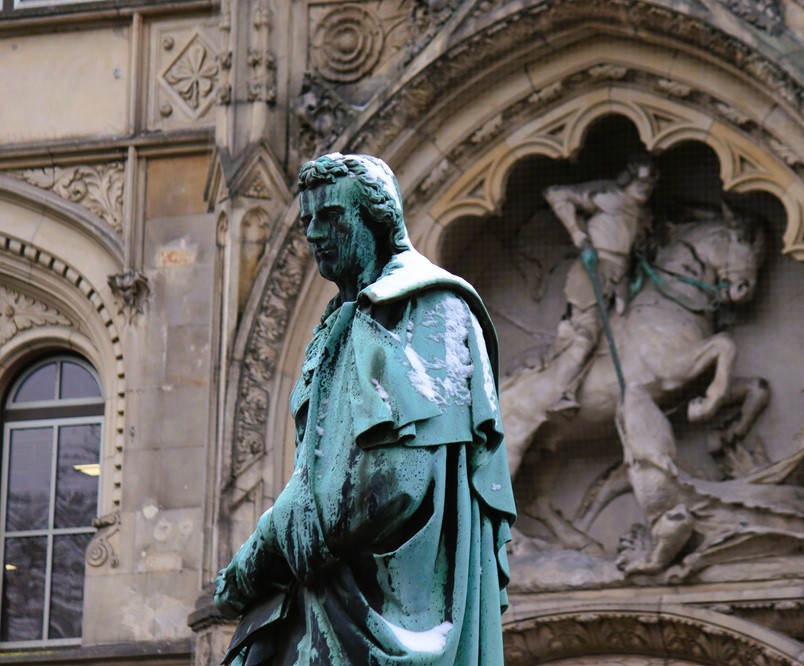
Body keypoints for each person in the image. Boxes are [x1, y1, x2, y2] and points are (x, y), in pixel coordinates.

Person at [214, 153, 516, 665]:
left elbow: (389, 482)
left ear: (377, 219)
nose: (313, 233)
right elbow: (319, 474)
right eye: (307, 221)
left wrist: (259, 554)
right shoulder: (340, 324)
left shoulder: (429, 307)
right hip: (327, 604)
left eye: (330, 216)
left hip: (392, 617)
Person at [542, 156, 658, 412]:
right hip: (593, 270)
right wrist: (578, 235)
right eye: (640, 180)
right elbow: (556, 193)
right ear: (628, 178)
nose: (645, 186)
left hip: (622, 279)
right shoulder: (609, 197)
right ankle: (561, 391)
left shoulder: (643, 215)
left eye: (650, 182)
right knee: (587, 334)